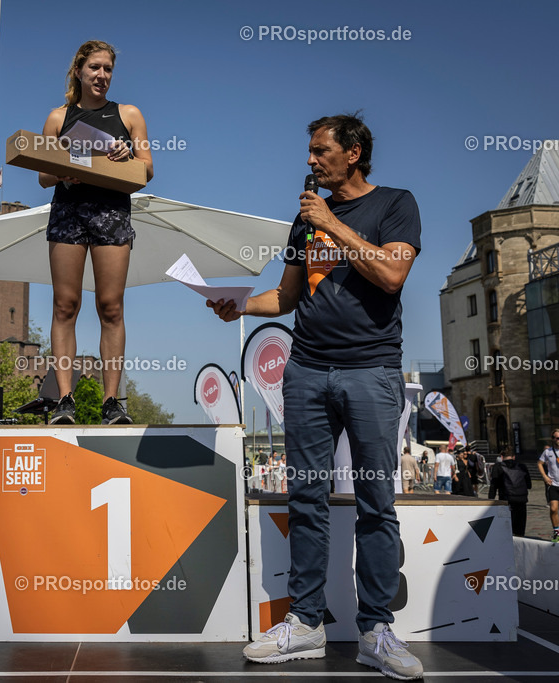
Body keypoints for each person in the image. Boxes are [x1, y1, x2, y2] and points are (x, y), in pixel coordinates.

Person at [208, 113, 422, 679]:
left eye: (321, 150)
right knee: (306, 498)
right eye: (309, 151)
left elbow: (392, 275)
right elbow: (286, 297)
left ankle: (376, 630)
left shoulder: (395, 204)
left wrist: (332, 223)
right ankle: (305, 623)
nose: (310, 160)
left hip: (371, 371)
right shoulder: (303, 222)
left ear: (353, 153)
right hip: (305, 371)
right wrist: (238, 303)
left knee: (376, 501)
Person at [39, 40, 154, 426]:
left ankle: (111, 403)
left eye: (108, 69)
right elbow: (43, 175)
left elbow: (147, 171)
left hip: (111, 213)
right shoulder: (58, 117)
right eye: (95, 68)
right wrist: (64, 171)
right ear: (79, 71)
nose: (102, 75)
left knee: (111, 307)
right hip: (68, 212)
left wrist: (128, 157)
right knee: (65, 305)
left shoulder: (129, 114)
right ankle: (64, 400)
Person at [489, 447, 531, 536]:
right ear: (514, 456)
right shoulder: (522, 466)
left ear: (501, 457)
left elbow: (493, 485)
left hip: (505, 499)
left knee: (505, 527)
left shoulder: (498, 466)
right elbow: (529, 485)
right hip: (521, 499)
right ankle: (519, 541)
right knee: (520, 527)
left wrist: (490, 500)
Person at [537, 428, 559, 542]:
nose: (557, 440)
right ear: (552, 439)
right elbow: (539, 463)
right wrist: (545, 476)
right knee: (553, 509)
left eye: (558, 438)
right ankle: (556, 532)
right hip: (554, 484)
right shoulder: (548, 452)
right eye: (555, 438)